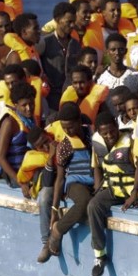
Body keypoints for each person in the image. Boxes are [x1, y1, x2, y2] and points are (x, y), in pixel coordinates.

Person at [86, 112, 137, 276]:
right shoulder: (97, 143)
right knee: (93, 205)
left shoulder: (130, 142)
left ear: (117, 128)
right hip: (112, 188)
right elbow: (97, 168)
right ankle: (100, 255)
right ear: (99, 133)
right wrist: (97, 188)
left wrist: (136, 193)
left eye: (112, 131)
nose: (109, 136)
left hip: (131, 190)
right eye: (105, 133)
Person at [45, 103, 95, 257]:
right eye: (64, 128)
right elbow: (60, 179)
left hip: (95, 181)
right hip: (76, 183)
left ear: (79, 121)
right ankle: (58, 230)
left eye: (71, 127)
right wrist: (54, 210)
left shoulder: (93, 135)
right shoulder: (65, 146)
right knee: (84, 201)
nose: (67, 131)